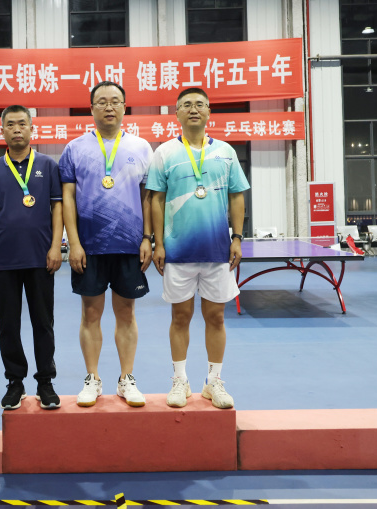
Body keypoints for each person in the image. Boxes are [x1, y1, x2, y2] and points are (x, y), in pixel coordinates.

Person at [146, 88, 250, 409]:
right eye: (187, 105)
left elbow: (237, 196)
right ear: (177, 113)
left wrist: (237, 237)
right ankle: (180, 380)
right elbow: (156, 199)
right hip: (178, 251)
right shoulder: (164, 153)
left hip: (218, 250)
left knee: (215, 317)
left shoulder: (226, 152)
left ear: (209, 112)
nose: (194, 109)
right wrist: (158, 243)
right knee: (181, 316)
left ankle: (213, 382)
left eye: (200, 104)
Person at [59, 81, 154, 408]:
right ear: (91, 108)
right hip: (89, 247)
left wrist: (147, 238)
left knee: (126, 312)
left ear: (125, 107)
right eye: (101, 102)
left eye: (115, 101)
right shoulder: (74, 148)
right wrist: (73, 242)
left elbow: (148, 197)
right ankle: (92, 378)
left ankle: (127, 378)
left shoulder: (142, 147)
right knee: (90, 313)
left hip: (129, 245)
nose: (109, 107)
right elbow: (67, 198)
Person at [0, 105, 63, 411]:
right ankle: (15, 382)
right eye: (10, 124)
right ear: (2, 130)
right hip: (3, 259)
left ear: (31, 129)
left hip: (41, 257)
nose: (16, 129)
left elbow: (57, 207)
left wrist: (56, 246)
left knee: (43, 323)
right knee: (8, 325)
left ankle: (45, 382)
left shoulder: (48, 166)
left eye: (22, 124)